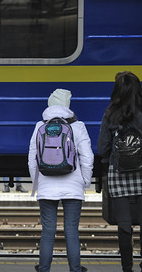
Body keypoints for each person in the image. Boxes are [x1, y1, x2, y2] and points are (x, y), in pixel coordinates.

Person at [97, 71, 142, 272]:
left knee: (124, 224)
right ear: (139, 88)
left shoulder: (110, 113)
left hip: (118, 172)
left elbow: (102, 148)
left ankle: (127, 268)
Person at [28, 88, 94, 272]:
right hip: (73, 187)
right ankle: (75, 269)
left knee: (48, 232)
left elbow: (32, 158)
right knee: (71, 231)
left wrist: (37, 183)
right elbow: (87, 158)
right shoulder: (78, 126)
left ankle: (43, 269)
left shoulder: (39, 126)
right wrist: (85, 181)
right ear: (67, 106)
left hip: (47, 188)